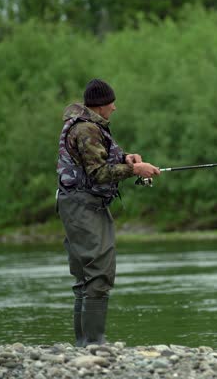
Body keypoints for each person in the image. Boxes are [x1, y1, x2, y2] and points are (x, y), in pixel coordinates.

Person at [55, 78, 160, 347]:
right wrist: (136, 170)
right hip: (84, 207)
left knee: (84, 276)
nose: (114, 108)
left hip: (77, 205)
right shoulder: (87, 130)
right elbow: (98, 173)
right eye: (111, 103)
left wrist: (126, 159)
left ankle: (85, 344)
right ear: (101, 105)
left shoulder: (86, 126)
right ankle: (93, 343)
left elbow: (99, 161)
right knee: (98, 274)